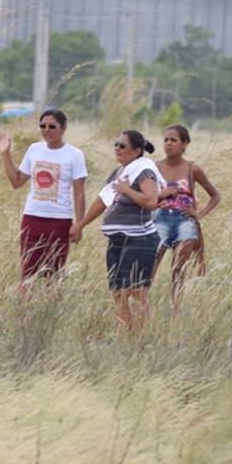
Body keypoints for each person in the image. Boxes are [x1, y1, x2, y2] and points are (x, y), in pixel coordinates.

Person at [70, 130, 162, 341]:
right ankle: (122, 341)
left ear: (137, 151)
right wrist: (80, 225)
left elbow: (151, 201)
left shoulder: (144, 170)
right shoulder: (119, 171)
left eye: (122, 145)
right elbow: (102, 202)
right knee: (119, 293)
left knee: (136, 293)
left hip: (139, 239)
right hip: (117, 239)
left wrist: (128, 190)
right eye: (116, 144)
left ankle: (141, 342)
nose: (117, 149)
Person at [0, 109, 87, 297]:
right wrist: (5, 153)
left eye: (52, 126)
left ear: (63, 128)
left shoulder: (74, 154)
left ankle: (50, 315)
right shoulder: (34, 149)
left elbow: (79, 194)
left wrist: (79, 225)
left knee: (54, 274)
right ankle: (24, 315)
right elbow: (16, 182)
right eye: (43, 126)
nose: (47, 130)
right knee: (27, 272)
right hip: (32, 218)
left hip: (59, 220)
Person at [152, 124, 220, 308]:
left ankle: (176, 309)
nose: (168, 144)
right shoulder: (154, 167)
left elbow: (215, 196)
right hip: (159, 219)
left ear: (184, 144)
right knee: (151, 264)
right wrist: (161, 195)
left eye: (174, 140)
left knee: (179, 269)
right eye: (166, 140)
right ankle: (142, 305)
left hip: (185, 222)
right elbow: (147, 197)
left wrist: (199, 214)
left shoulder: (192, 169)